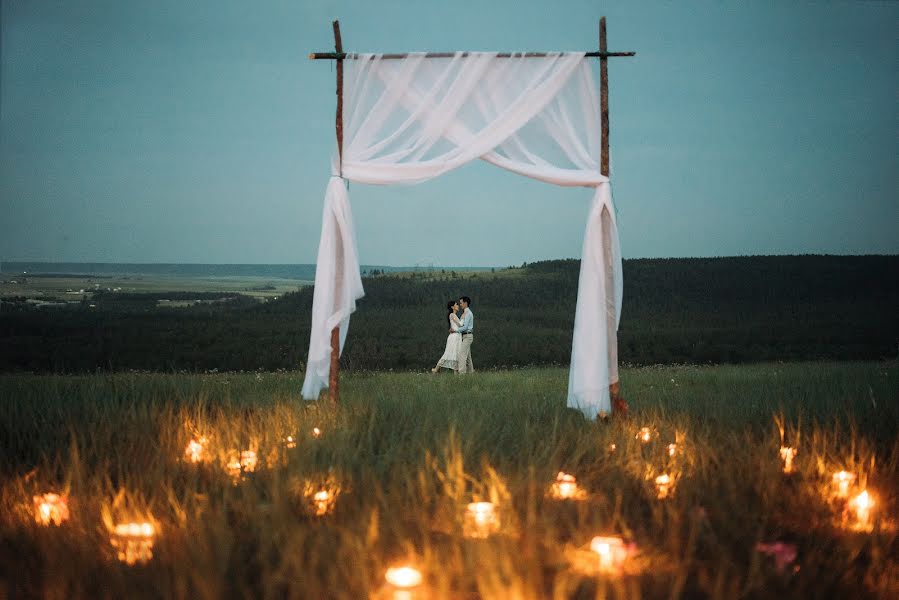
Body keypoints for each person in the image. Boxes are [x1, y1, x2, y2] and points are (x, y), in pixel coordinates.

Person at [431, 300, 463, 373]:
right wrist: (464, 317)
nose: (458, 306)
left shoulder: (453, 315)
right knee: (448, 354)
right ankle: (435, 369)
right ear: (452, 307)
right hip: (454, 337)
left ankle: (455, 373)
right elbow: (460, 324)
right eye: (456, 304)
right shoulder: (452, 315)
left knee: (456, 355)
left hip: (457, 336)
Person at [455, 296, 474, 373]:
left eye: (461, 303)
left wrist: (456, 330)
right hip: (465, 336)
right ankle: (471, 373)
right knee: (468, 358)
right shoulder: (465, 313)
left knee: (462, 355)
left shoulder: (468, 313)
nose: (460, 304)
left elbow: (465, 327)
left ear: (465, 303)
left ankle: (461, 375)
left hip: (467, 336)